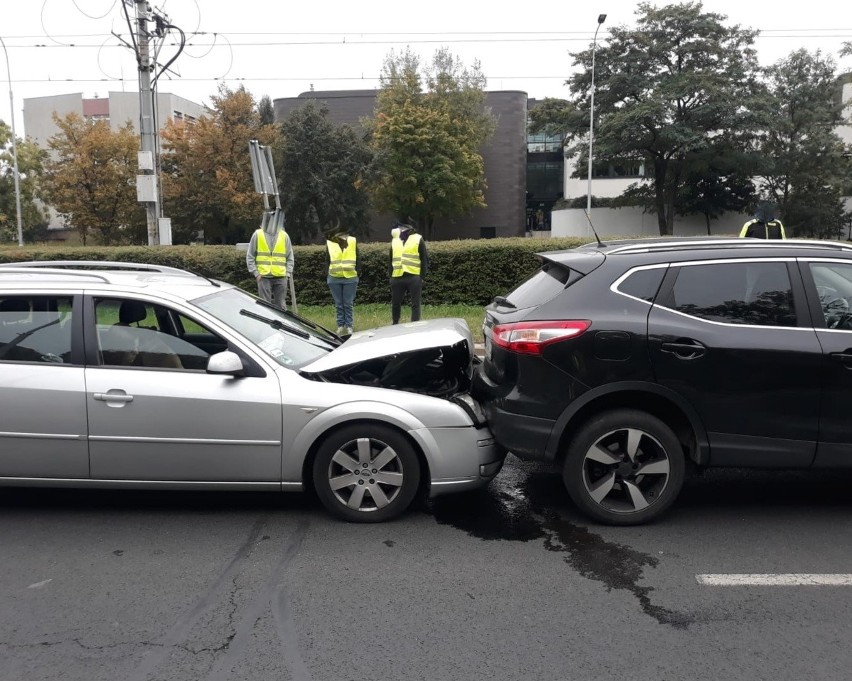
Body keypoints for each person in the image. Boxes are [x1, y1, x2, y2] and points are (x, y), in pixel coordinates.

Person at [246, 214, 294, 308]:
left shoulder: (284, 236)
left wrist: (287, 274)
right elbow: (250, 256)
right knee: (265, 306)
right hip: (263, 276)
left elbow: (290, 257)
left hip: (281, 276)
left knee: (281, 305)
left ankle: (281, 322)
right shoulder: (257, 234)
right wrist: (256, 273)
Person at [325, 220, 360, 336]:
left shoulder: (353, 241)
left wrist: (358, 272)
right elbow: (327, 259)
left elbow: (358, 258)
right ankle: (340, 325)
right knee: (339, 303)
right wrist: (328, 274)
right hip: (334, 277)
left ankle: (349, 326)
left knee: (348, 303)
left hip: (350, 277)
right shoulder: (330, 243)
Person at [389, 221, 428, 324]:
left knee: (415, 303)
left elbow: (424, 259)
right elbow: (390, 259)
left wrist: (421, 277)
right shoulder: (395, 240)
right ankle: (395, 323)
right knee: (395, 303)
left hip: (413, 276)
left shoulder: (418, 239)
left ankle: (414, 325)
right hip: (397, 276)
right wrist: (391, 277)